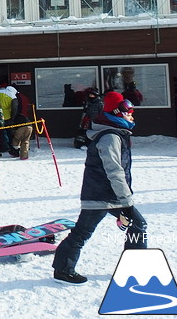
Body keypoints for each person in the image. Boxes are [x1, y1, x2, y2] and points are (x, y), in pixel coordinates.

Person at [52, 92, 147, 284]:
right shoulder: (110, 137)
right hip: (102, 195)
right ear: (117, 113)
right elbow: (114, 171)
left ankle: (63, 268)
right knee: (134, 225)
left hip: (106, 194)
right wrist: (127, 202)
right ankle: (63, 270)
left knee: (84, 232)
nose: (132, 116)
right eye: (128, 112)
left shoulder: (115, 134)